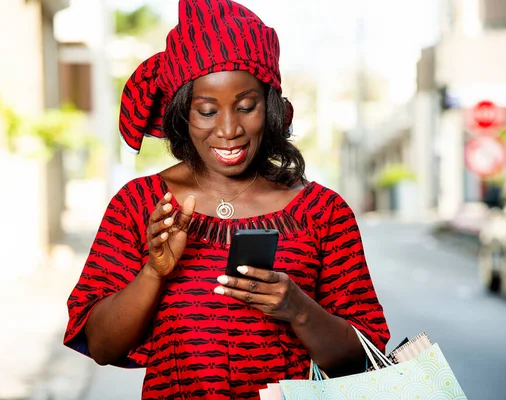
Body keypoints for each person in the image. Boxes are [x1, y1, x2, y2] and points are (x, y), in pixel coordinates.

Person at [63, 0, 390, 398]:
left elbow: (365, 357)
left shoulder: (322, 212)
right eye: (206, 110)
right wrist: (153, 272)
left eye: (246, 107)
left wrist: (297, 308)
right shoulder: (140, 204)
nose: (229, 129)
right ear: (183, 113)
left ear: (269, 108)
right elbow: (100, 347)